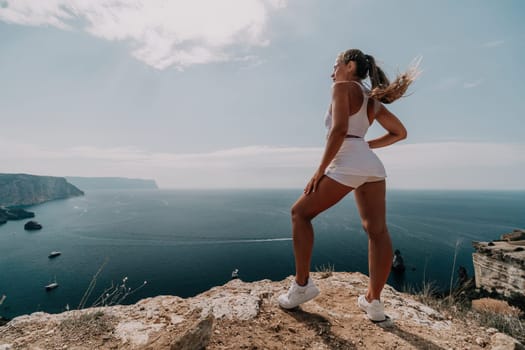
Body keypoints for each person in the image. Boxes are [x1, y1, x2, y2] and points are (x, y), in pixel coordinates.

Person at [277, 48, 419, 322]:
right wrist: (365, 146)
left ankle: (302, 286)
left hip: (347, 162)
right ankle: (374, 303)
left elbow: (339, 129)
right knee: (377, 231)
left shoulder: (342, 87)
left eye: (335, 65)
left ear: (349, 65)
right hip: (371, 166)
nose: (331, 73)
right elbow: (400, 133)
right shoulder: (371, 99)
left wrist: (319, 171)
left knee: (300, 213)